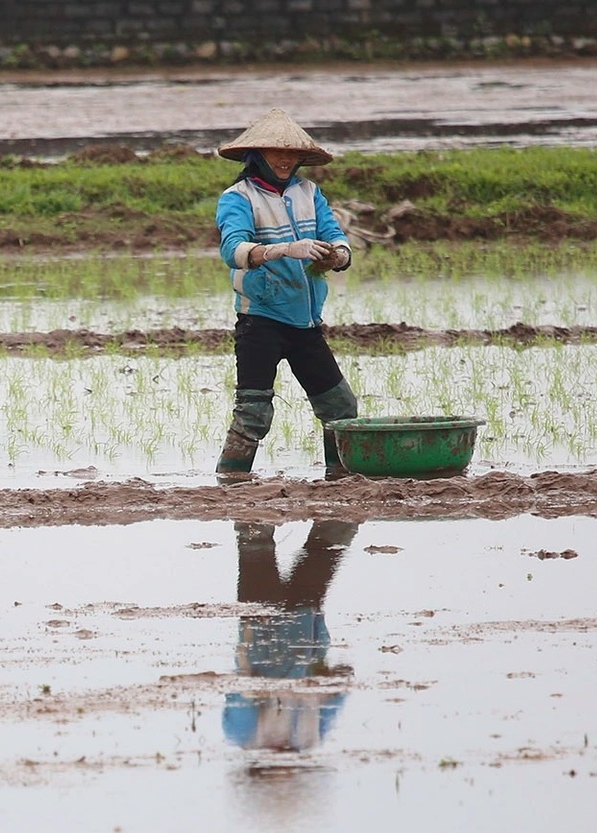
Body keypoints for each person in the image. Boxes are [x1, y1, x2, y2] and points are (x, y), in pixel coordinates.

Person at [213, 109, 360, 483]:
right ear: (256, 155)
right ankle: (229, 482)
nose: (284, 160)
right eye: (276, 152)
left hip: (305, 323)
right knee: (253, 413)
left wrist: (338, 255)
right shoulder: (238, 197)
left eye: (292, 153)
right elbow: (233, 250)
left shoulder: (310, 192)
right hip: (260, 321)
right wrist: (282, 249)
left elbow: (335, 235)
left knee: (340, 407)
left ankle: (340, 478)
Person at [222, 520, 357, 754]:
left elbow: (242, 689)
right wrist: (326, 688)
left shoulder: (244, 736)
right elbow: (344, 677)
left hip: (260, 623)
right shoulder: (311, 738)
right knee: (326, 548)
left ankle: (240, 484)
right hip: (307, 621)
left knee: (255, 542)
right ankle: (346, 495)